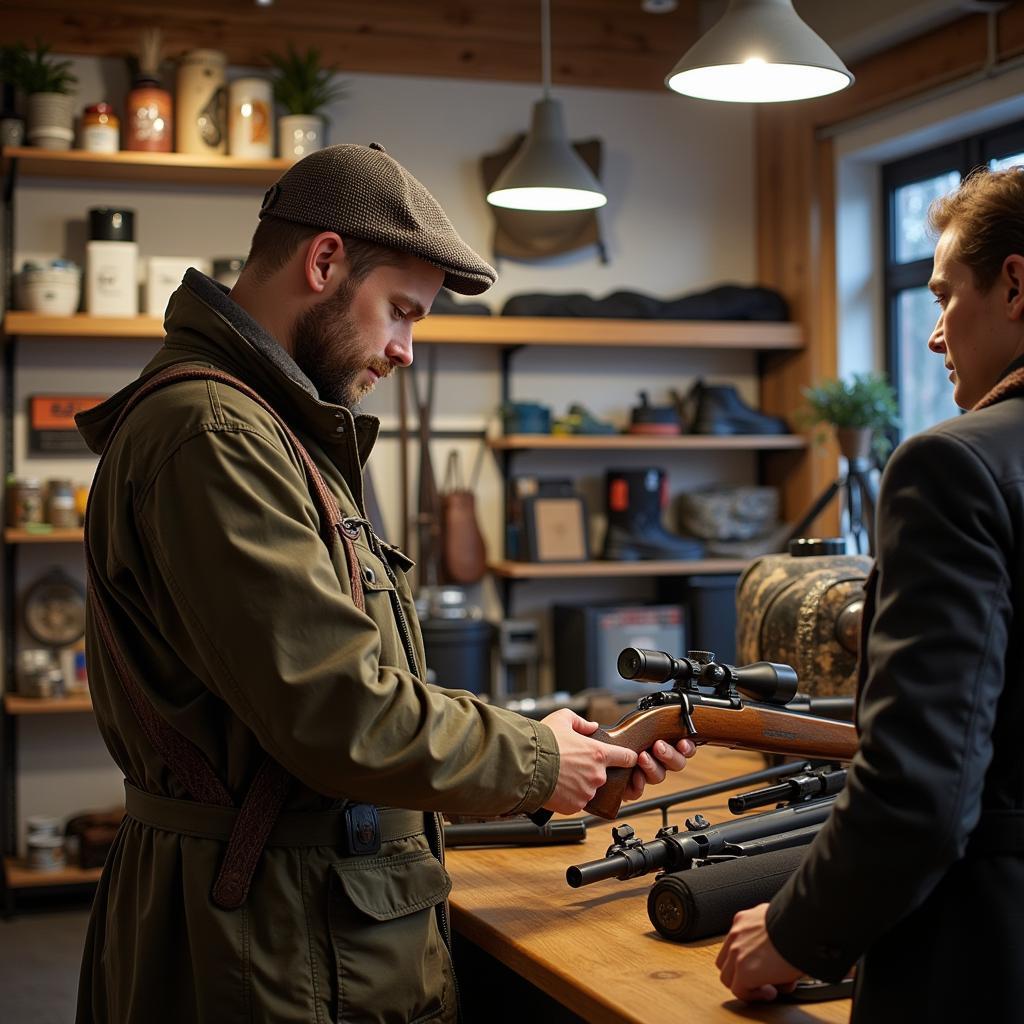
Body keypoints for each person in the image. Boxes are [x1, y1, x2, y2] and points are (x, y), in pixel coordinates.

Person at [74, 143, 695, 1023]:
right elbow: (337, 714)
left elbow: (359, 694)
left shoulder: (273, 433)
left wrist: (550, 758)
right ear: (324, 261)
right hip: (266, 944)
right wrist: (536, 760)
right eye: (399, 311)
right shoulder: (216, 436)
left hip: (303, 925)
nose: (404, 350)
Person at [716, 164, 1024, 1020]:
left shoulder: (952, 465)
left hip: (980, 965)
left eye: (940, 297)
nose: (933, 337)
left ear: (1015, 285)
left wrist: (792, 930)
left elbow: (920, 794)